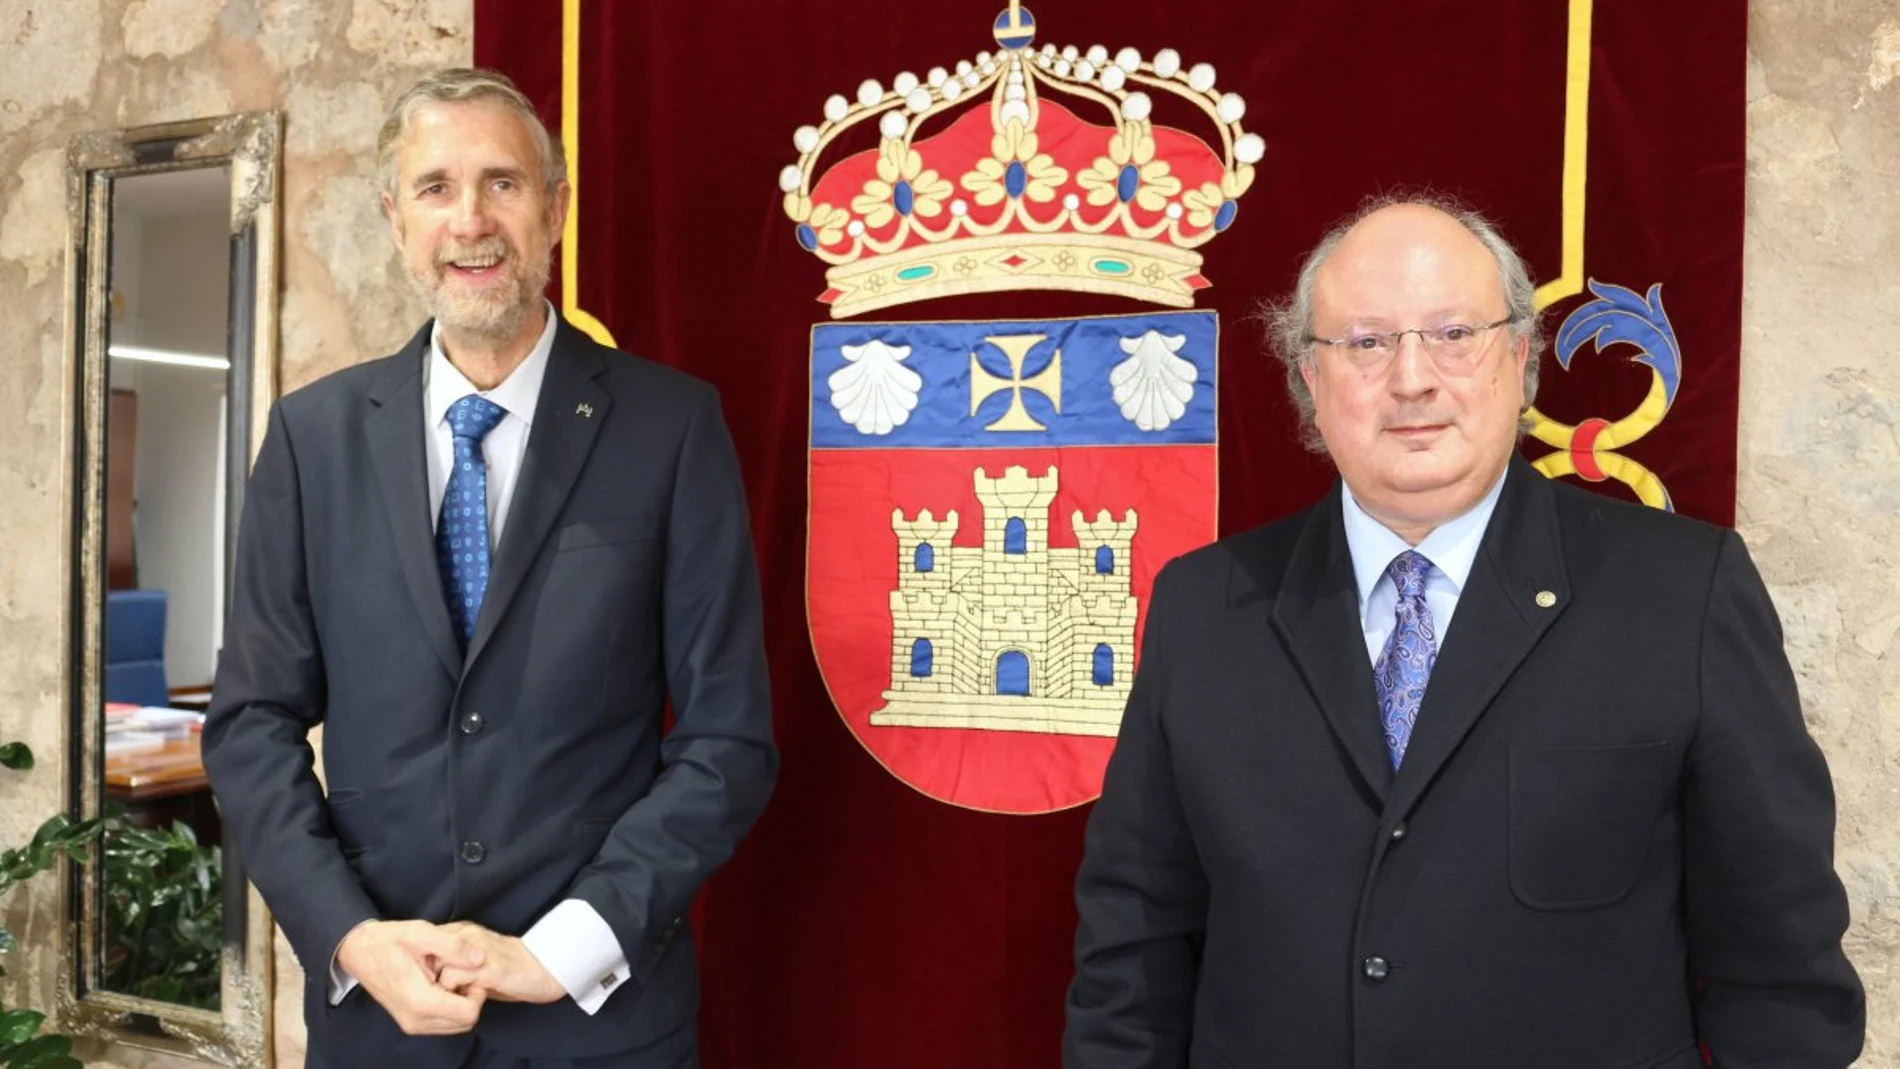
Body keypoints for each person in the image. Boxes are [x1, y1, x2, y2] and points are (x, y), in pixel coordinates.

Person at [1062, 196, 1864, 1068]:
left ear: (1519, 359)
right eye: (1367, 342)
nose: (1413, 378)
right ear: (1310, 380)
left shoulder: (1681, 595)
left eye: (1453, 334)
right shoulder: (1204, 609)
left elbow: (1782, 974)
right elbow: (1132, 954)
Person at [203, 68, 775, 1069]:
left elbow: (728, 738)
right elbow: (251, 723)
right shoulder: (309, 438)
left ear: (554, 209)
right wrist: (352, 937)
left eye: (502, 183)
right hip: (377, 1022)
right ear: (396, 219)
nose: (470, 220)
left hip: (600, 1025)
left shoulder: (674, 427)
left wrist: (563, 951)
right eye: (435, 187)